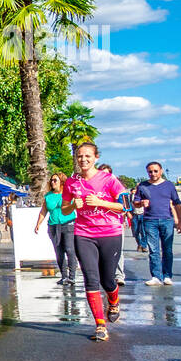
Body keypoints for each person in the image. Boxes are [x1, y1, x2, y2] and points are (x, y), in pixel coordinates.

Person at [65, 143, 127, 342]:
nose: (83, 160)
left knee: (107, 279)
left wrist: (100, 202)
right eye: (80, 156)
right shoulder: (71, 182)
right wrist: (74, 204)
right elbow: (65, 209)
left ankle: (114, 300)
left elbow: (124, 206)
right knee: (91, 278)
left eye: (88, 156)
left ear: (96, 158)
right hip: (83, 234)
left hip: (110, 232)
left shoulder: (109, 179)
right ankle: (100, 325)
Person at [134, 161, 181, 285]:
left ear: (161, 171)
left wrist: (180, 222)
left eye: (155, 171)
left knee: (167, 249)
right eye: (150, 171)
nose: (153, 174)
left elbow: (177, 203)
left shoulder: (169, 185)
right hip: (149, 221)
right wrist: (141, 203)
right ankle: (156, 276)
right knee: (153, 250)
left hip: (167, 220)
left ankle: (167, 275)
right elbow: (135, 202)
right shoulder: (143, 186)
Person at [33, 171, 77, 285]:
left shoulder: (68, 193)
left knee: (69, 249)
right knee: (59, 251)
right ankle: (64, 276)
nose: (52, 182)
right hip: (53, 225)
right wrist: (38, 223)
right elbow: (44, 210)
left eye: (55, 180)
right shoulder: (48, 196)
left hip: (68, 224)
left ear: (61, 182)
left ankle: (72, 276)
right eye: (51, 180)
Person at [99, 163, 128, 285]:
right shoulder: (95, 188)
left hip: (116, 223)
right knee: (102, 252)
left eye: (107, 174)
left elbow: (126, 205)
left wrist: (125, 217)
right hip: (99, 224)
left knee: (118, 250)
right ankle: (106, 275)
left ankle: (119, 275)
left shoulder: (117, 186)